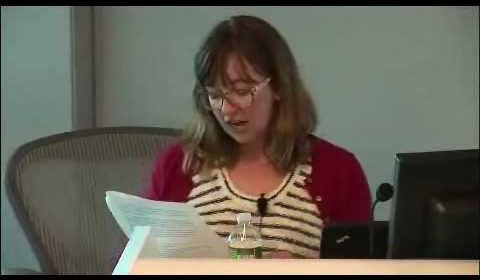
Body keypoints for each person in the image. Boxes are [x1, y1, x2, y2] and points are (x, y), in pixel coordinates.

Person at [142, 15, 371, 259]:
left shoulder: (338, 170)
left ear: (279, 87)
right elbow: (132, 261)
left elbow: (364, 267)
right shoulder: (177, 165)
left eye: (242, 91)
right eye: (215, 95)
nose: (227, 109)